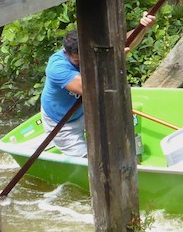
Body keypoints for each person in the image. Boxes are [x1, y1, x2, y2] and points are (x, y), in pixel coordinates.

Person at [40, 13, 155, 157]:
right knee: (90, 161)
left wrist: (143, 27)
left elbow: (123, 43)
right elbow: (89, 89)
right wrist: (113, 62)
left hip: (86, 110)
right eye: (77, 62)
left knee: (118, 143)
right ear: (66, 53)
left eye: (86, 59)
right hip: (62, 122)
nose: (83, 65)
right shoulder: (57, 67)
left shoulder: (90, 49)